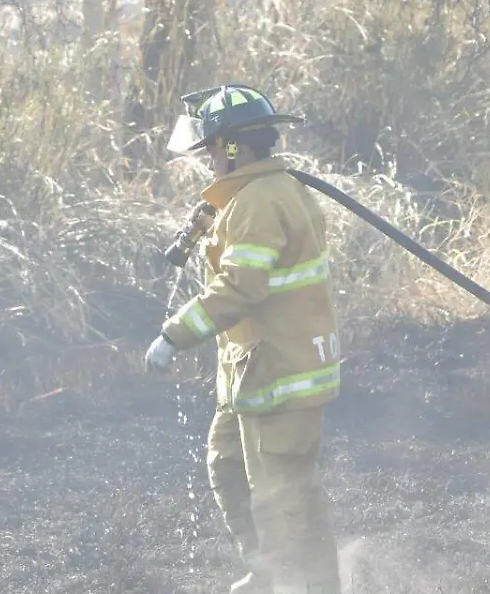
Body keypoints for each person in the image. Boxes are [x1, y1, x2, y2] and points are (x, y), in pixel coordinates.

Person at [145, 85, 344, 594]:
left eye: (213, 147)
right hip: (255, 373)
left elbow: (241, 286)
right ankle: (266, 573)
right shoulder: (249, 195)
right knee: (228, 464)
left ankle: (311, 587)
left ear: (235, 146)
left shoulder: (258, 201)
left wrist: (174, 336)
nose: (209, 158)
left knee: (284, 496)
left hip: (283, 374)